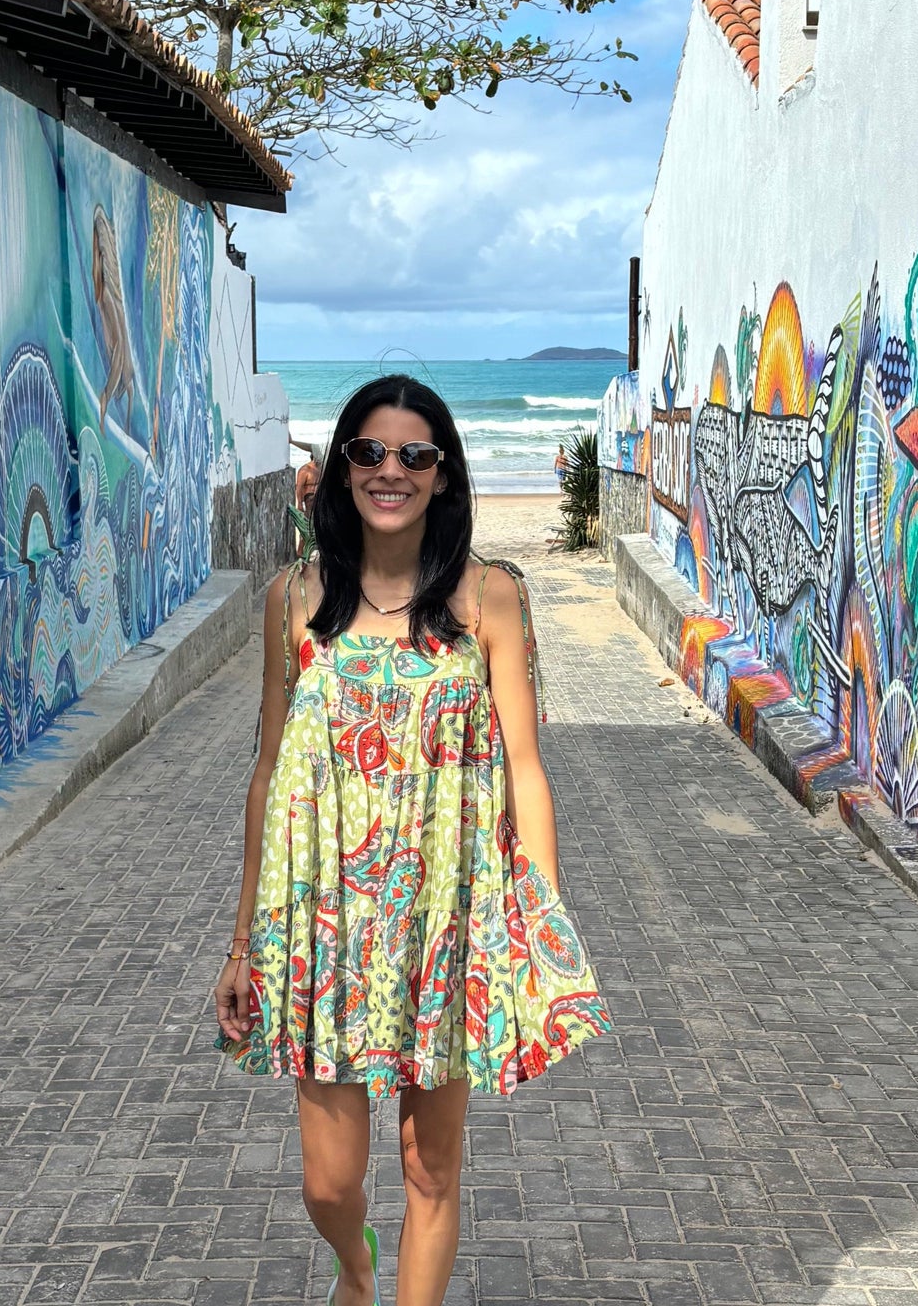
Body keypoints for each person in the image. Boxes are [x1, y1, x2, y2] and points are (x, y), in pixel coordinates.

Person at [214, 374, 612, 1306]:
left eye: (415, 455)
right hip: (324, 921)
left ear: (444, 476)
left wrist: (535, 923)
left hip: (448, 918)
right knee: (330, 1183)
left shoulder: (490, 600)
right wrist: (242, 943)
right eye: (370, 452)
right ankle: (356, 1270)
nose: (390, 471)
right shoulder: (292, 603)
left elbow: (525, 770)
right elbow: (268, 775)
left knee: (431, 1173)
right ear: (341, 467)